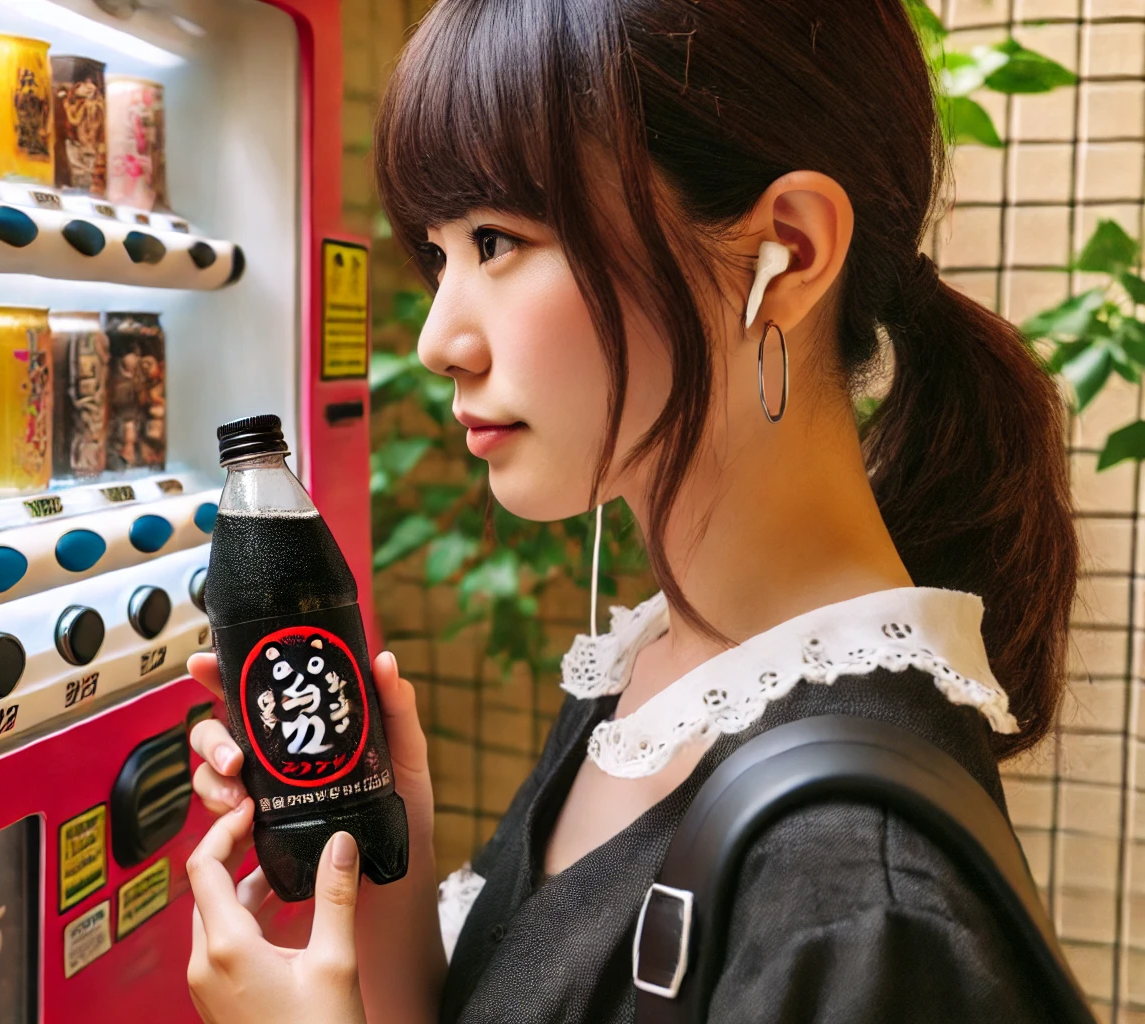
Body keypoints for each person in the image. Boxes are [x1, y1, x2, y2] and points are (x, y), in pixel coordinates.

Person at [181, 0, 1079, 1021]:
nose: (439, 339)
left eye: (495, 239)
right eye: (439, 255)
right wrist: (383, 854)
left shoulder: (863, 901)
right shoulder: (666, 658)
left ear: (785, 249)